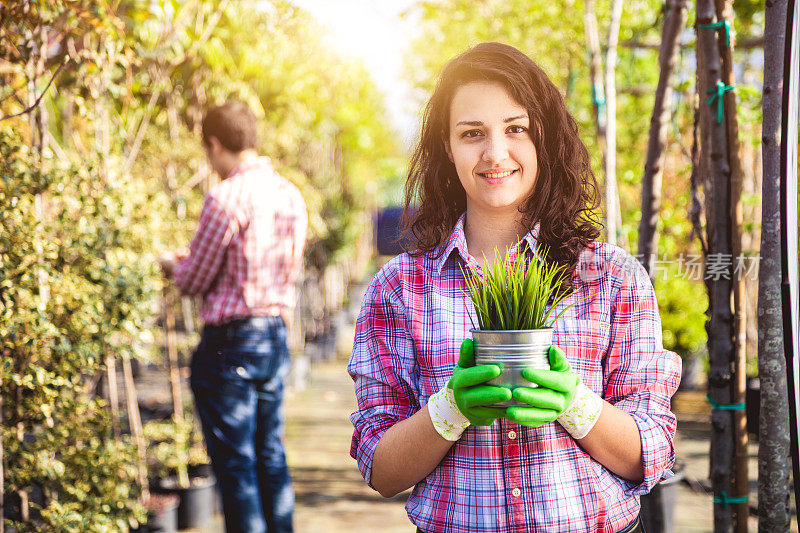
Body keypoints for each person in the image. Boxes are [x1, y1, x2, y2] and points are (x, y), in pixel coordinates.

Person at [348, 42, 681, 533]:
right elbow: (380, 467)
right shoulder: (401, 288)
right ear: (447, 146)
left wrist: (575, 403)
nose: (495, 153)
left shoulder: (610, 277)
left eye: (516, 129)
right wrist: (449, 409)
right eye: (472, 133)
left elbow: (649, 452)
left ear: (543, 139)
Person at [159, 101, 307, 533]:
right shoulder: (289, 194)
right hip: (274, 333)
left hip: (230, 343)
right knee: (270, 455)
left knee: (237, 467)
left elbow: (192, 280)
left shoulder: (226, 197)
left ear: (215, 144)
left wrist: (171, 264)